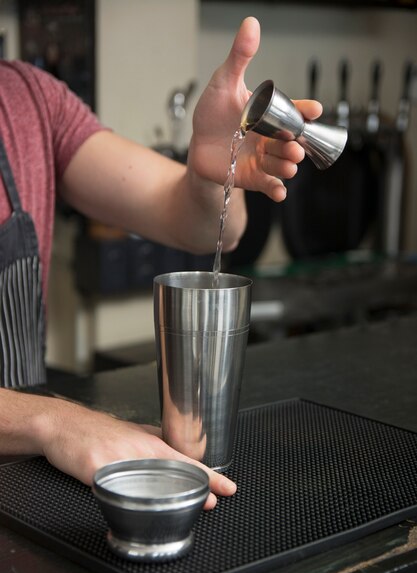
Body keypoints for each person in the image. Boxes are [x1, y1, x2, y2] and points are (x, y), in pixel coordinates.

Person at [0, 17, 322, 509]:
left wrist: (211, 169)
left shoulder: (27, 99)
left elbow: (202, 226)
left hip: (26, 488)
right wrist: (53, 421)